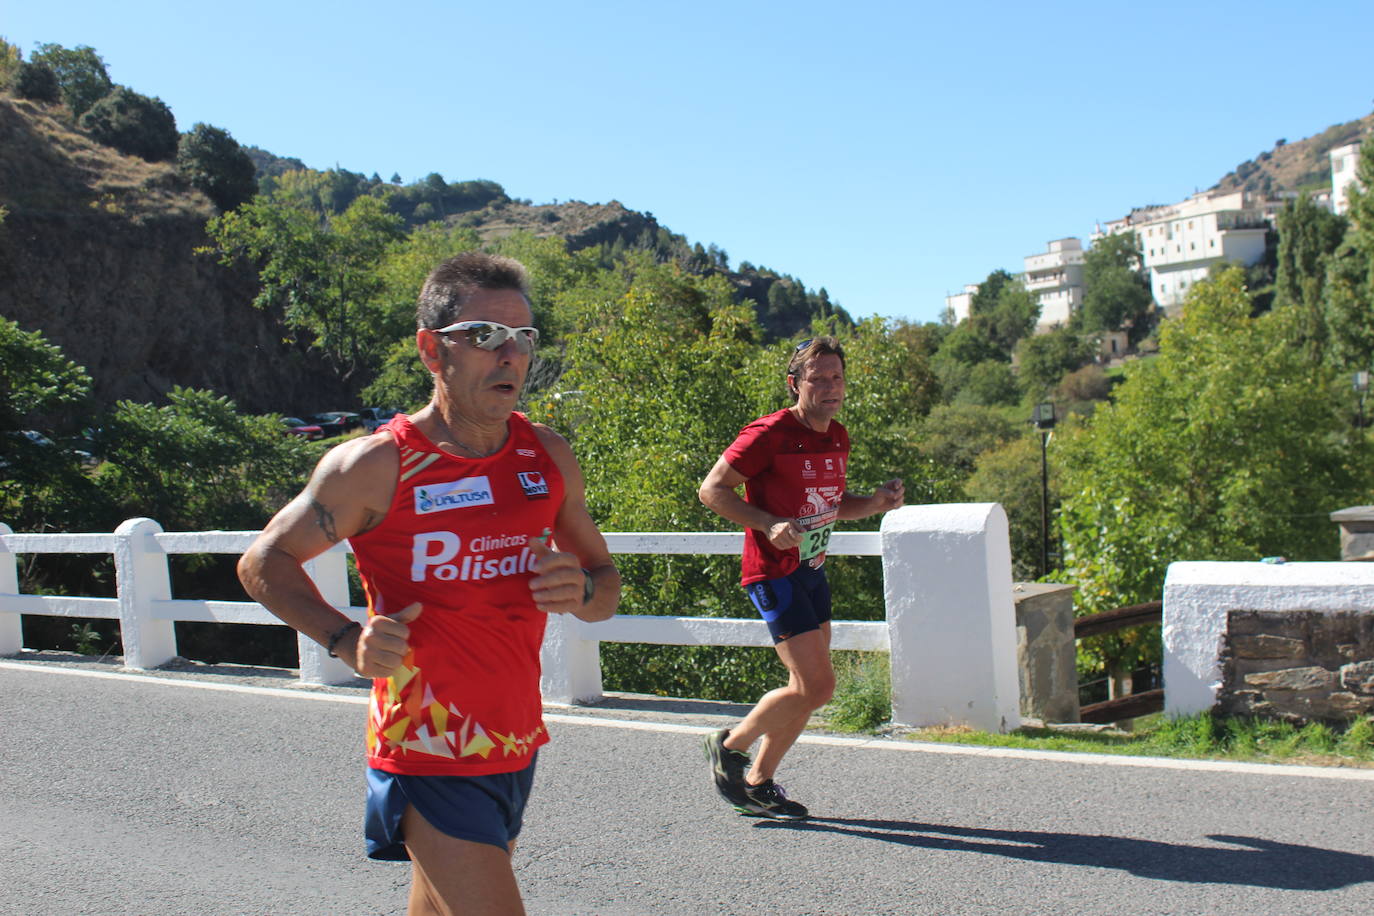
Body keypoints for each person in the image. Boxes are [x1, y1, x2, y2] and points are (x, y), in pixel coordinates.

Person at [238, 251, 620, 916]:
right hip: (427, 746)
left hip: (512, 738)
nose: (509, 356)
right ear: (430, 350)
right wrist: (345, 638)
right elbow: (262, 563)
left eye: (522, 339)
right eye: (484, 336)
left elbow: (606, 586)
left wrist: (581, 592)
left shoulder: (545, 455)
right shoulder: (376, 465)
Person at [697, 336, 903, 820]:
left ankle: (758, 783)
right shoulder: (768, 433)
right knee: (818, 686)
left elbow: (831, 504)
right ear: (795, 384)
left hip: (811, 569)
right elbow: (712, 490)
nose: (830, 387)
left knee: (806, 688)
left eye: (837, 377)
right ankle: (729, 744)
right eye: (818, 378)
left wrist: (873, 503)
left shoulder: (838, 435)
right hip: (772, 572)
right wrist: (767, 523)